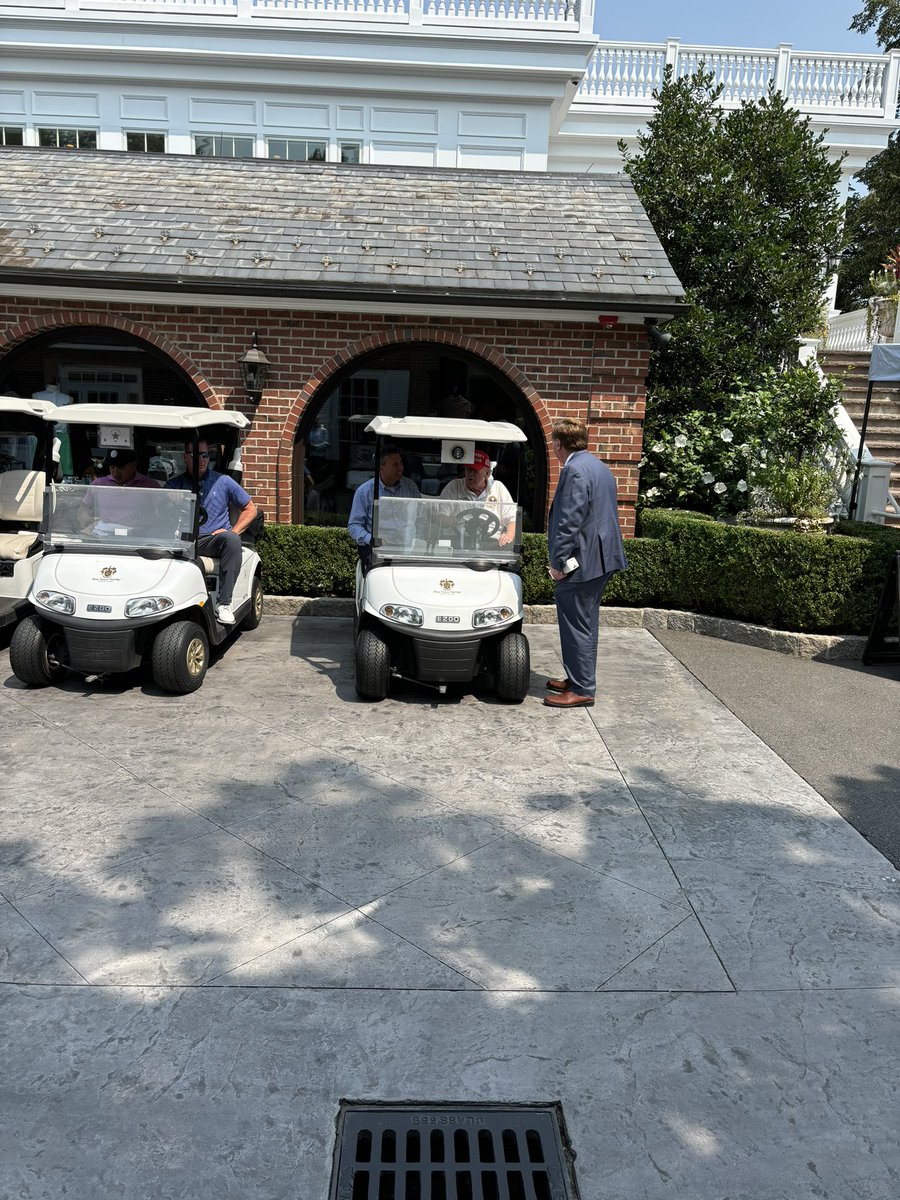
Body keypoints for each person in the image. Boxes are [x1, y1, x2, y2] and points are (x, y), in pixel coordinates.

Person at [544, 418, 628, 710]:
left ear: (557, 443)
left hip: (584, 561)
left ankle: (581, 688)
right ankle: (578, 677)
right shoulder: (598, 466)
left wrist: (558, 561)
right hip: (600, 558)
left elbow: (569, 521)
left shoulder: (575, 470)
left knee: (577, 623)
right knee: (585, 622)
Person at [166, 441, 258, 625]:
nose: (200, 459)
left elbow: (251, 509)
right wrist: (169, 502)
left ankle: (223, 604)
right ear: (185, 457)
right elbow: (159, 517)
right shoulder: (173, 485)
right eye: (195, 455)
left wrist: (234, 530)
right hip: (182, 540)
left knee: (231, 539)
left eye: (205, 455)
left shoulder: (222, 481)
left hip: (212, 540)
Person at [347, 445, 419, 569]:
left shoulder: (411, 487)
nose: (400, 468)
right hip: (377, 549)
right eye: (395, 464)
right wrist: (372, 539)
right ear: (381, 468)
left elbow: (421, 517)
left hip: (407, 547)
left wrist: (420, 539)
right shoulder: (364, 492)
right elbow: (354, 526)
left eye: (401, 463)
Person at [439, 448, 516, 547]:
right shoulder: (454, 486)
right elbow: (440, 516)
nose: (470, 474)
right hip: (457, 540)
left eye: (475, 470)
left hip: (489, 541)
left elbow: (512, 519)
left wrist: (508, 535)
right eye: (468, 469)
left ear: (487, 474)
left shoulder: (498, 487)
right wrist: (448, 521)